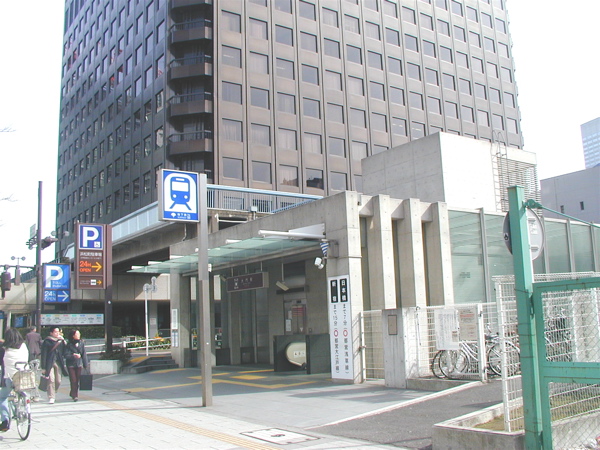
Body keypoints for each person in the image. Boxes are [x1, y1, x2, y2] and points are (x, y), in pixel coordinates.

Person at [0, 328, 29, 432]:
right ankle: (25, 409)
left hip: (10, 377)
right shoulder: (24, 346)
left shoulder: (4, 349)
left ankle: (5, 420)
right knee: (22, 392)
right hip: (24, 376)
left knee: (2, 397)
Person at [40, 327, 68, 404]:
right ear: (51, 333)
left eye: (58, 332)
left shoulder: (60, 341)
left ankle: (53, 391)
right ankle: (51, 396)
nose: (57, 333)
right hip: (49, 363)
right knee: (51, 379)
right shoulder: (47, 341)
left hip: (58, 362)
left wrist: (64, 341)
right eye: (55, 332)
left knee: (58, 380)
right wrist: (43, 367)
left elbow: (65, 351)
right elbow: (44, 354)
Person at [64, 329, 88, 402]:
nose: (79, 335)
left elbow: (84, 354)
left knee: (77, 380)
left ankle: (72, 392)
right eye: (77, 334)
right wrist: (73, 355)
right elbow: (66, 355)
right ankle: (75, 395)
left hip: (78, 364)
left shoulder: (81, 343)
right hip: (71, 364)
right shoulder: (68, 344)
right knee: (73, 380)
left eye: (79, 334)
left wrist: (85, 364)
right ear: (73, 336)